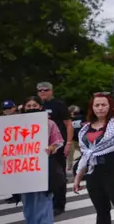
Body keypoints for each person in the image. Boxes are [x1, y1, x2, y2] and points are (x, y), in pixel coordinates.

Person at [73, 92, 114, 224]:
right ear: (92, 107)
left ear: (109, 107)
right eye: (97, 105)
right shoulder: (85, 128)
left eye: (103, 105)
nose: (100, 108)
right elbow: (86, 154)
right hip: (93, 173)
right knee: (101, 211)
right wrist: (78, 177)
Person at [19, 96, 66, 224]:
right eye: (28, 106)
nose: (31, 108)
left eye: (34, 105)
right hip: (23, 169)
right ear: (24, 108)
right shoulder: (16, 124)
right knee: (28, 202)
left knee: (43, 200)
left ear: (40, 107)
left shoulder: (49, 123)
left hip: (43, 167)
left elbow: (58, 142)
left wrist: (51, 148)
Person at [37, 81, 73, 216]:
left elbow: (68, 124)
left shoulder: (59, 105)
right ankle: (47, 201)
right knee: (44, 175)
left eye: (45, 90)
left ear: (51, 91)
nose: (43, 92)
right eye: (40, 90)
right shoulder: (36, 106)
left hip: (57, 145)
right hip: (41, 147)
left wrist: (68, 143)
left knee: (59, 174)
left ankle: (59, 204)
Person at [0, 100, 22, 205]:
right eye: (5, 109)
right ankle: (15, 195)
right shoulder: (4, 121)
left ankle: (21, 194)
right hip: (10, 150)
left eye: (9, 108)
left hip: (21, 149)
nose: (7, 111)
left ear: (14, 108)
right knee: (12, 174)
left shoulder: (22, 118)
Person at [68, 105, 85, 172]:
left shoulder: (81, 118)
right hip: (72, 139)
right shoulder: (69, 119)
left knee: (84, 151)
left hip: (80, 139)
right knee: (70, 152)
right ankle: (70, 164)